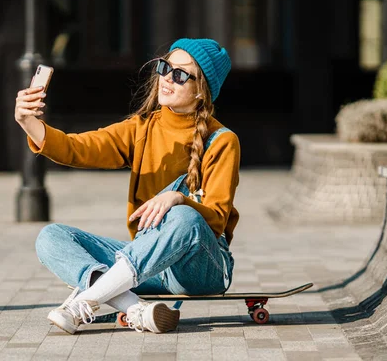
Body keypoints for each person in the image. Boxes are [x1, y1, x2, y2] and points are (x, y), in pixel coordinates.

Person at [14, 38, 240, 334]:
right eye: (165, 68)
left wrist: (178, 199)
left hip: (199, 267)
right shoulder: (142, 128)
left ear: (201, 90)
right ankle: (135, 309)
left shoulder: (222, 140)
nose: (166, 79)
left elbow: (217, 218)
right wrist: (28, 122)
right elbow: (79, 148)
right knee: (52, 237)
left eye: (180, 74)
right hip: (149, 264)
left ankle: (84, 304)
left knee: (184, 217)